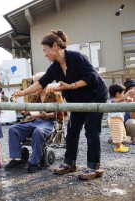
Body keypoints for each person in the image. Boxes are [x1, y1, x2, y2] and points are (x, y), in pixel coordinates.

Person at [14, 30, 108, 180]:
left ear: (55, 46)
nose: (45, 54)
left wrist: (70, 86)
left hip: (95, 97)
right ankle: (69, 163)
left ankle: (94, 166)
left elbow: (91, 77)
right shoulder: (55, 67)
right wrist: (23, 93)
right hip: (77, 101)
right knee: (72, 130)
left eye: (46, 50)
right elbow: (41, 82)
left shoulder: (77, 57)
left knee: (91, 130)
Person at [5, 72, 66, 173]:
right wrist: (26, 112)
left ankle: (34, 162)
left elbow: (61, 114)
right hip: (33, 120)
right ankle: (17, 158)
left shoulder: (55, 95)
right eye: (33, 83)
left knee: (38, 131)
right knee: (13, 129)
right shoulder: (34, 96)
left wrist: (47, 115)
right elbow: (31, 112)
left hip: (48, 122)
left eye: (36, 83)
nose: (34, 86)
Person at [107, 84, 130, 152]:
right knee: (116, 133)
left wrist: (127, 101)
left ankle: (120, 145)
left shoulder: (116, 101)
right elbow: (122, 99)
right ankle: (117, 147)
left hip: (118, 119)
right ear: (117, 93)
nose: (124, 94)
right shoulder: (113, 100)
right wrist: (128, 92)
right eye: (123, 93)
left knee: (120, 132)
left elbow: (123, 101)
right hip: (114, 120)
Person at [123, 80, 135, 145]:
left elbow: (132, 117)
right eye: (130, 89)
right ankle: (118, 137)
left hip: (132, 124)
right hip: (123, 127)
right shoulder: (122, 100)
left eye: (134, 89)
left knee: (131, 122)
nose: (132, 91)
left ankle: (134, 137)